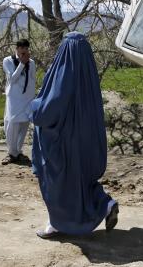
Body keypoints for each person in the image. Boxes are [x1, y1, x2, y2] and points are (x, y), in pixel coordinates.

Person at [31, 32, 119, 239]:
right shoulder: (88, 74)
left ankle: (57, 224)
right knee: (81, 181)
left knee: (58, 184)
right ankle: (106, 204)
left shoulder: (62, 71)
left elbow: (49, 108)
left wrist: (34, 108)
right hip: (86, 139)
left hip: (63, 142)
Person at [2, 39, 36, 165]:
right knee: (12, 124)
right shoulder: (8, 61)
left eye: (26, 49)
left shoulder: (31, 63)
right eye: (22, 49)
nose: (24, 51)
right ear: (17, 49)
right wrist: (21, 64)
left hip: (27, 98)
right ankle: (11, 153)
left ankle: (18, 151)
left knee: (24, 124)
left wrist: (33, 98)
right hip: (14, 98)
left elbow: (32, 80)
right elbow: (12, 79)